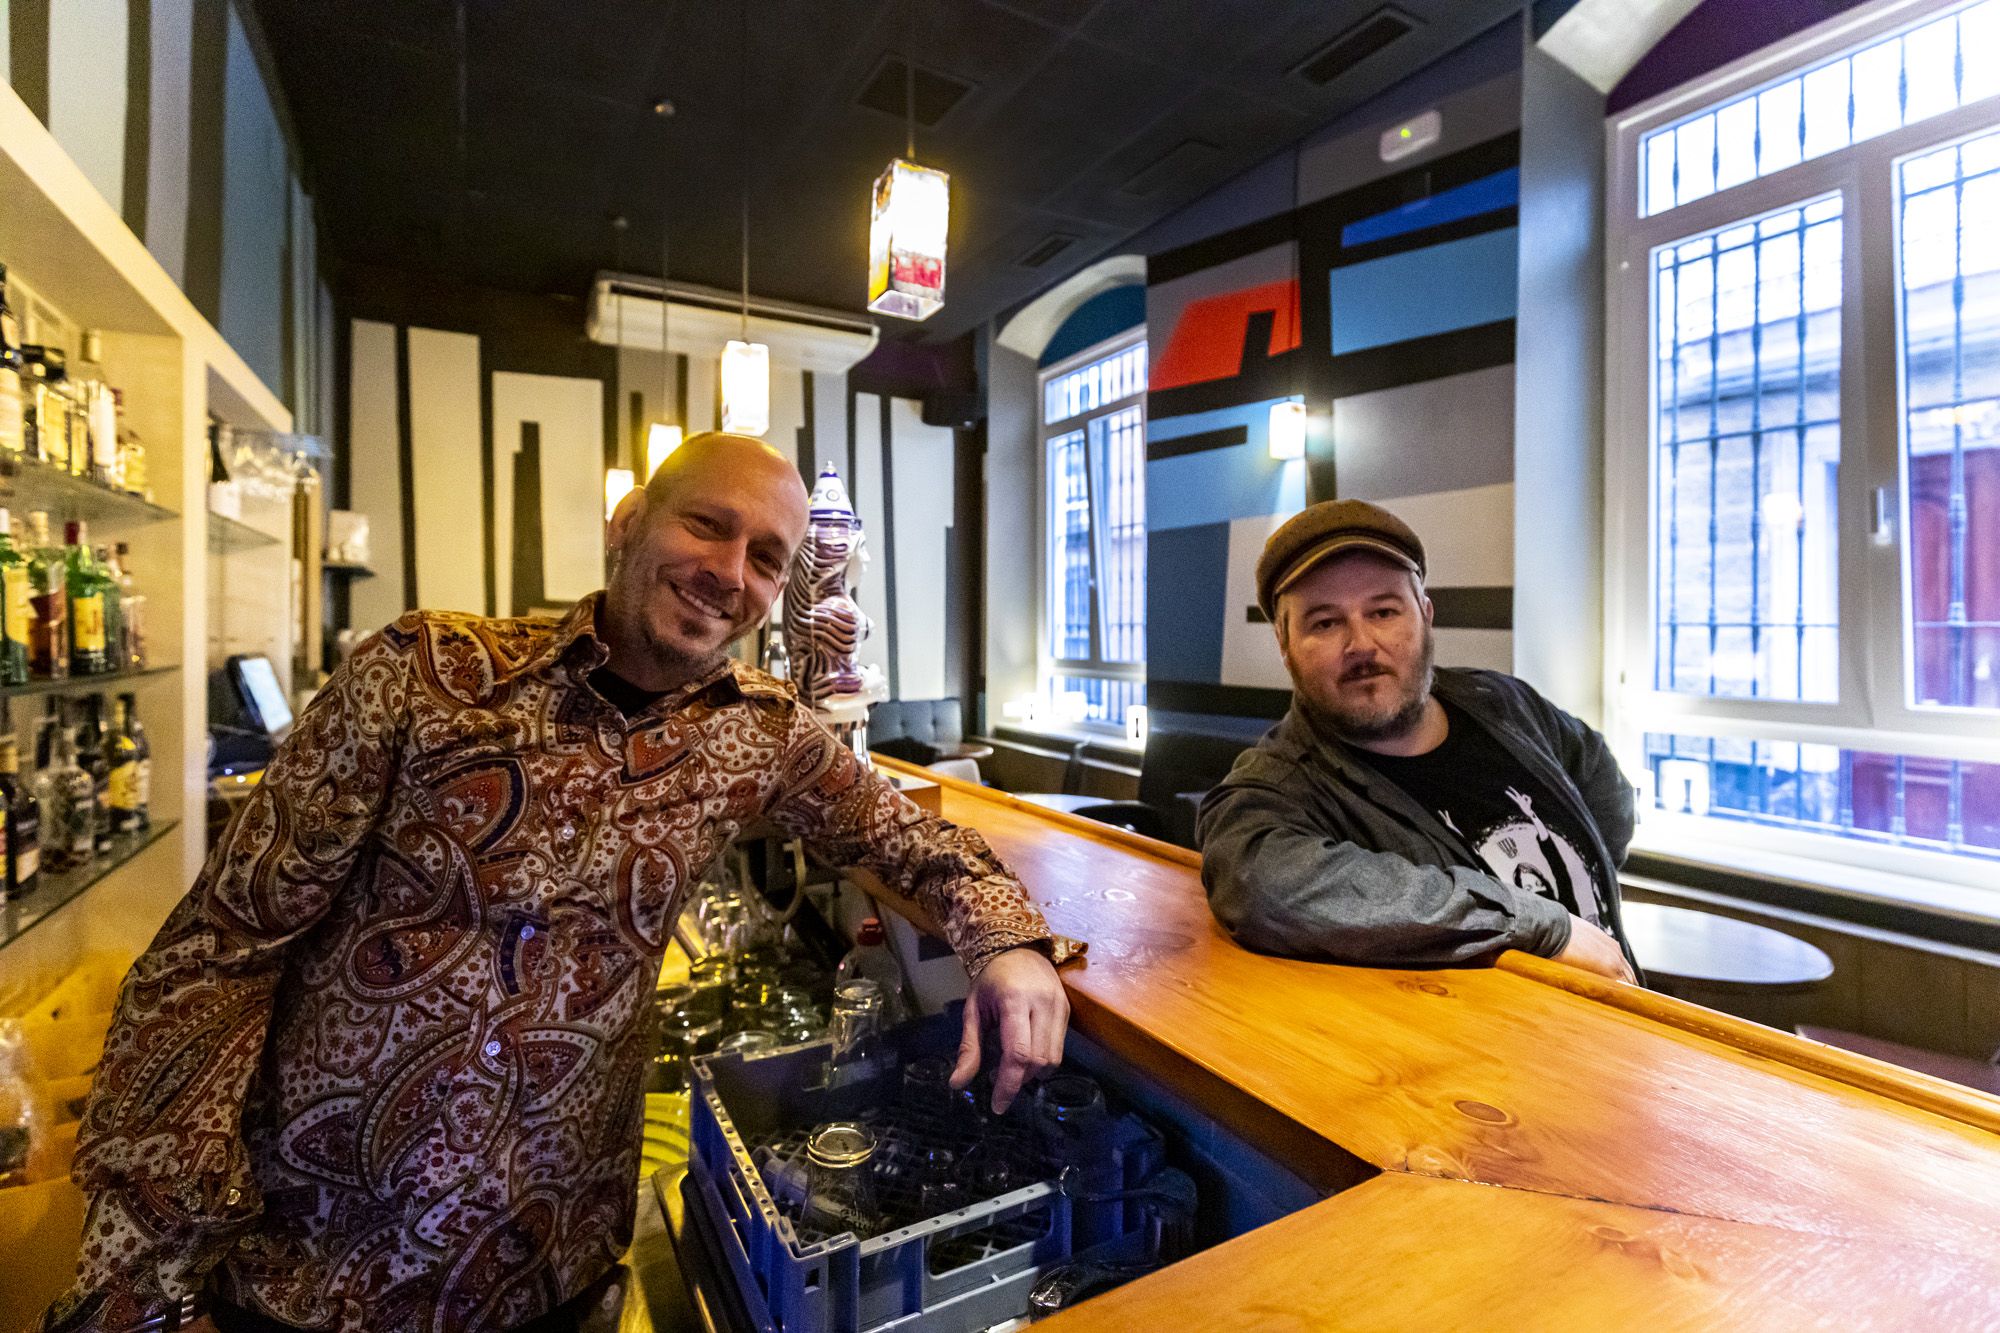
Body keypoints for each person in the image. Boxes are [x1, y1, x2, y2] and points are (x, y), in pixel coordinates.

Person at [41, 433, 1074, 1333]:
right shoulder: (425, 672)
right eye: (707, 525)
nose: (730, 572)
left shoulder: (758, 732)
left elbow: (912, 840)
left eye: (767, 558)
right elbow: (222, 949)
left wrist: (1007, 943)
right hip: (312, 1270)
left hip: (548, 1267)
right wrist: (145, 1278)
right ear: (629, 522)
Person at [1197, 497, 1639, 984]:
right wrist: (1538, 926)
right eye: (1325, 622)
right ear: (1284, 643)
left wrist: (1587, 879)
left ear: (1425, 614)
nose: (1361, 645)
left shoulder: (1503, 702)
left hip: (1630, 1012)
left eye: (1384, 612)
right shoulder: (1276, 786)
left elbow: (1604, 783)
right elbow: (1260, 886)